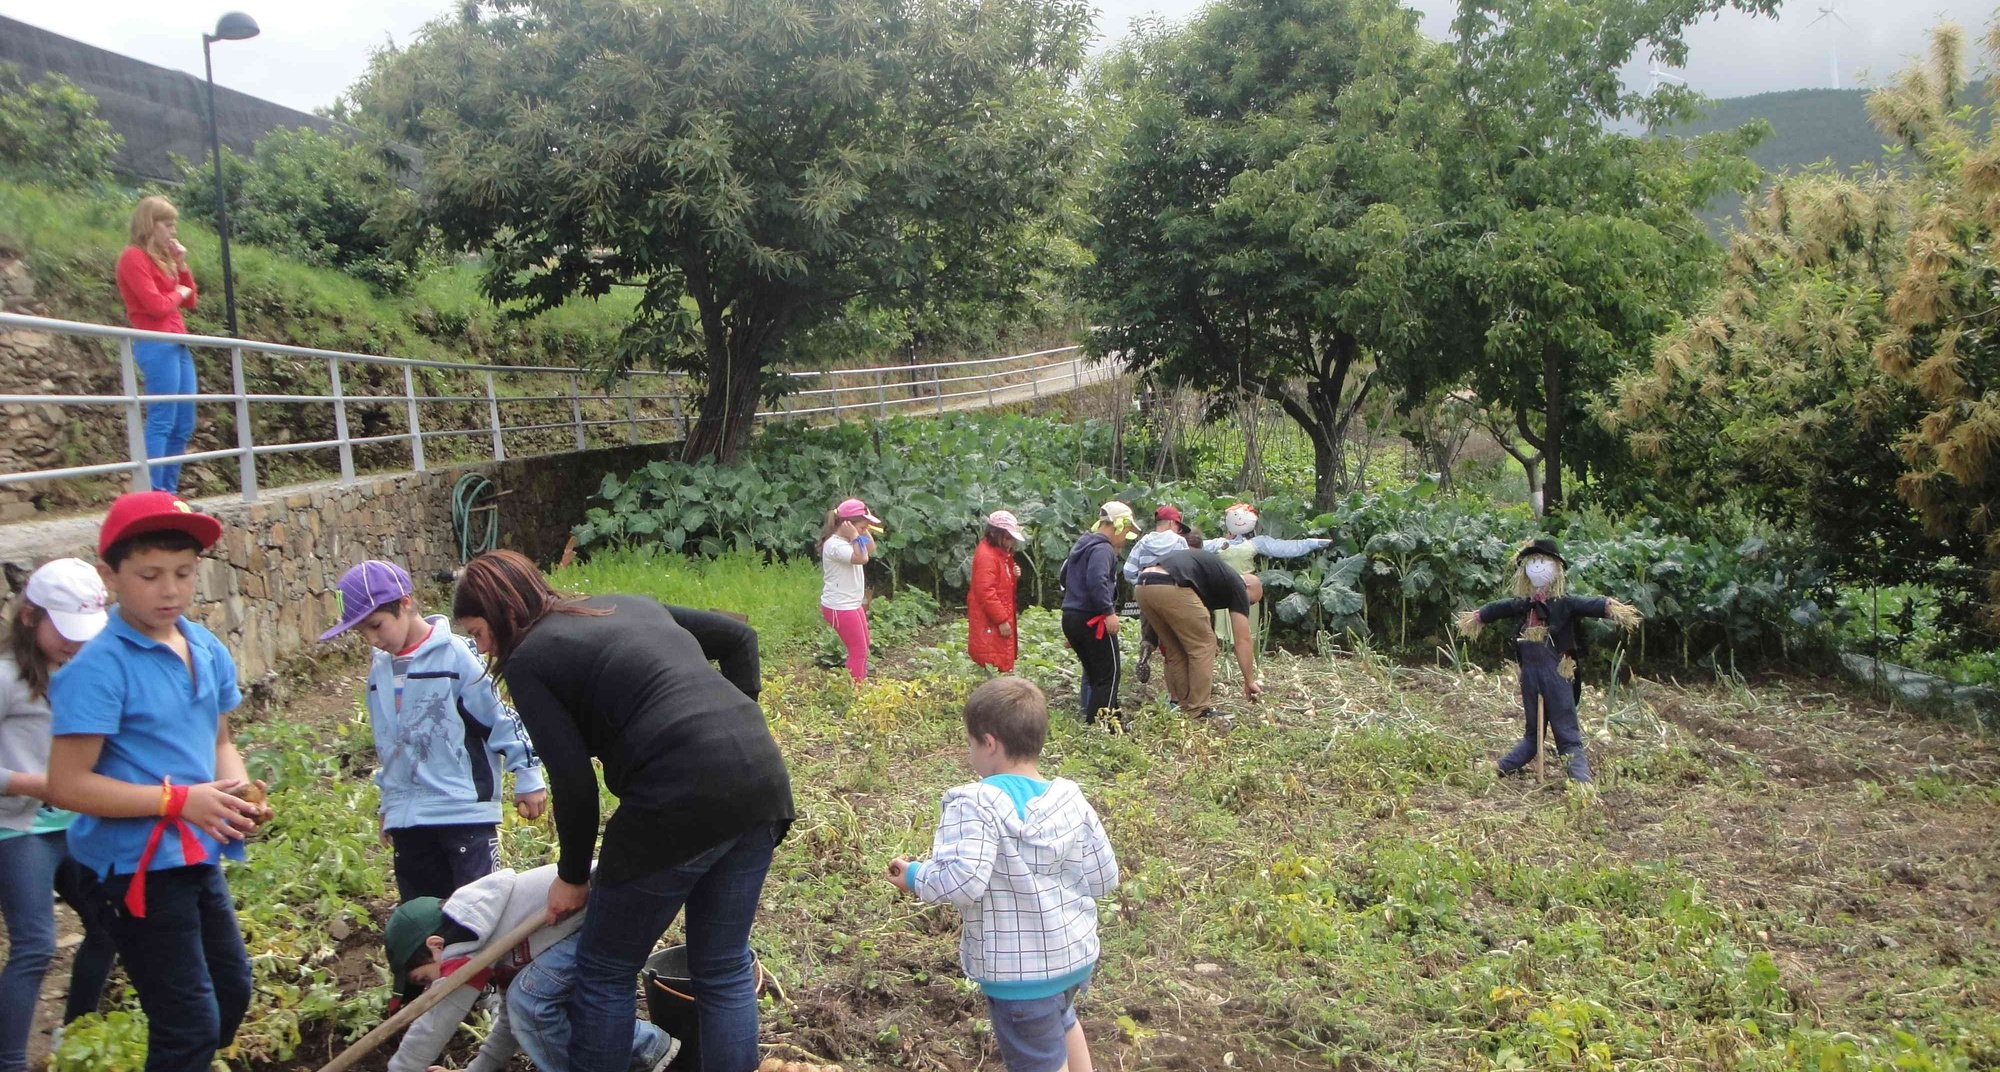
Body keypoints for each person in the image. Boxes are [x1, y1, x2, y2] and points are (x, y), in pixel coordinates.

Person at [450, 550, 794, 1072]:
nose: (481, 647)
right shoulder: (623, 605)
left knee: (606, 970)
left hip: (674, 797)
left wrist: (570, 877)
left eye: (477, 632)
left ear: (502, 612)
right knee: (721, 968)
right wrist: (730, 722)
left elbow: (574, 784)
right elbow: (738, 638)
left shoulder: (529, 660)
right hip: (759, 778)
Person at [46, 492, 271, 1072]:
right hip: (135, 869)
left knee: (231, 993)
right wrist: (178, 800)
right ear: (111, 576)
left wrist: (239, 792)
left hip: (196, 854)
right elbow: (68, 785)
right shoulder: (97, 669)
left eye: (183, 573)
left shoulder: (205, 647)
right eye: (149, 575)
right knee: (187, 1024)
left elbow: (220, 742)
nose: (169, 589)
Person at [887, 677, 1119, 1072]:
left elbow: (963, 880)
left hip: (1019, 975)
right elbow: (1104, 878)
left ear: (989, 743)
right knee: (1063, 1021)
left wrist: (915, 875)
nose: (970, 751)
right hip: (1072, 957)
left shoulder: (974, 804)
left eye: (970, 742)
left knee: (1038, 1060)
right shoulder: (1070, 798)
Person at [317, 560, 548, 903]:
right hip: (409, 823)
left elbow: (498, 718)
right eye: (361, 632)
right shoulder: (379, 673)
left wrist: (528, 775)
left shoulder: (455, 656)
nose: (372, 639)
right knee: (424, 921)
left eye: (376, 625)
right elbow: (389, 744)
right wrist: (390, 804)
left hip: (464, 814)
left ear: (406, 603)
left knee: (479, 914)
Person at [379, 863, 679, 1072]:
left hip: (619, 902)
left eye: (424, 978)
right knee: (532, 999)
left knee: (530, 996)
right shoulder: (490, 948)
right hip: (609, 918)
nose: (431, 988)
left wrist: (402, 1069)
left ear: (434, 945)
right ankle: (644, 1047)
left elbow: (437, 1019)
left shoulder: (465, 939)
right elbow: (512, 1021)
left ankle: (643, 1046)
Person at [0, 560, 119, 1072]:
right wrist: (37, 784)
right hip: (16, 827)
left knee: (109, 923)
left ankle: (73, 1034)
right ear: (29, 617)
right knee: (35, 944)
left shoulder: (83, 668)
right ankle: (10, 1061)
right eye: (65, 632)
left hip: (72, 823)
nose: (76, 644)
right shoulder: (7, 676)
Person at [1454, 538, 1640, 783]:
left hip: (1558, 673)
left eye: (1543, 562)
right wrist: (1478, 617)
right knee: (1533, 736)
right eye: (1533, 562)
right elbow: (1499, 608)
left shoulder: (1564, 603)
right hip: (1530, 674)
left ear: (1556, 568)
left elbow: (1589, 604)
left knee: (1567, 736)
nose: (1538, 567)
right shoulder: (1524, 605)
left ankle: (1582, 783)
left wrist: (1611, 608)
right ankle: (1499, 767)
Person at [116, 197, 201, 494]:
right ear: (150, 225)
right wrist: (177, 291)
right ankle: (153, 492)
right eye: (168, 224)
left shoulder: (162, 259)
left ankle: (168, 492)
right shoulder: (133, 257)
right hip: (155, 342)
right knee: (163, 418)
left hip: (177, 342)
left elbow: (190, 300)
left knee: (183, 423)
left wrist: (180, 265)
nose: (173, 231)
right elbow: (155, 306)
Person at [1133, 548, 1267, 722]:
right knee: (1204, 645)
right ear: (1247, 586)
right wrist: (1249, 680)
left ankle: (1183, 706)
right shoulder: (1237, 584)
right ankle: (1198, 710)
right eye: (1250, 601)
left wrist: (1148, 636)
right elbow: (1242, 638)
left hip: (1143, 584)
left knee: (1176, 649)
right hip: (1171, 584)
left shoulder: (1215, 579)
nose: (1247, 605)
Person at [1058, 502, 1135, 725]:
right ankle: (1101, 728)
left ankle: (1110, 724)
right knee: (1108, 677)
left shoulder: (1081, 546)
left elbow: (1064, 577)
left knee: (1095, 675)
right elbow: (1097, 581)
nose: (1125, 538)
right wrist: (1108, 611)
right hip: (1094, 619)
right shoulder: (1103, 549)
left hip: (1072, 616)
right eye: (1127, 531)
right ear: (1120, 525)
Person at [1122, 506, 1193, 684]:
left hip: (1146, 588)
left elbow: (1128, 570)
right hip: (1171, 592)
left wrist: (1142, 582)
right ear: (1171, 522)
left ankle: (1147, 645)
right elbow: (1186, 571)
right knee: (1173, 638)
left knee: (1150, 620)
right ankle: (1175, 676)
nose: (1179, 530)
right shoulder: (1179, 542)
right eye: (1178, 525)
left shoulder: (1143, 542)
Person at [818, 498, 881, 681]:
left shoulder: (850, 540)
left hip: (851, 603)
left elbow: (870, 548)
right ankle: (855, 690)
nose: (864, 531)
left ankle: (858, 684)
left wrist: (863, 530)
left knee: (864, 645)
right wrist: (855, 535)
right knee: (858, 650)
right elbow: (862, 558)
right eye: (862, 527)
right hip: (839, 606)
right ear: (847, 525)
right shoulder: (835, 545)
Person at [969, 511, 1029, 673]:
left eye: (1012, 539)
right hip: (991, 620)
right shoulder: (987, 556)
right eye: (1008, 538)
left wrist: (1012, 572)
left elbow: (1001, 585)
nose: (1010, 543)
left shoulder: (1000, 553)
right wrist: (1001, 620)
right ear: (995, 534)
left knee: (997, 660)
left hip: (995, 617)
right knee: (991, 661)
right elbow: (986, 592)